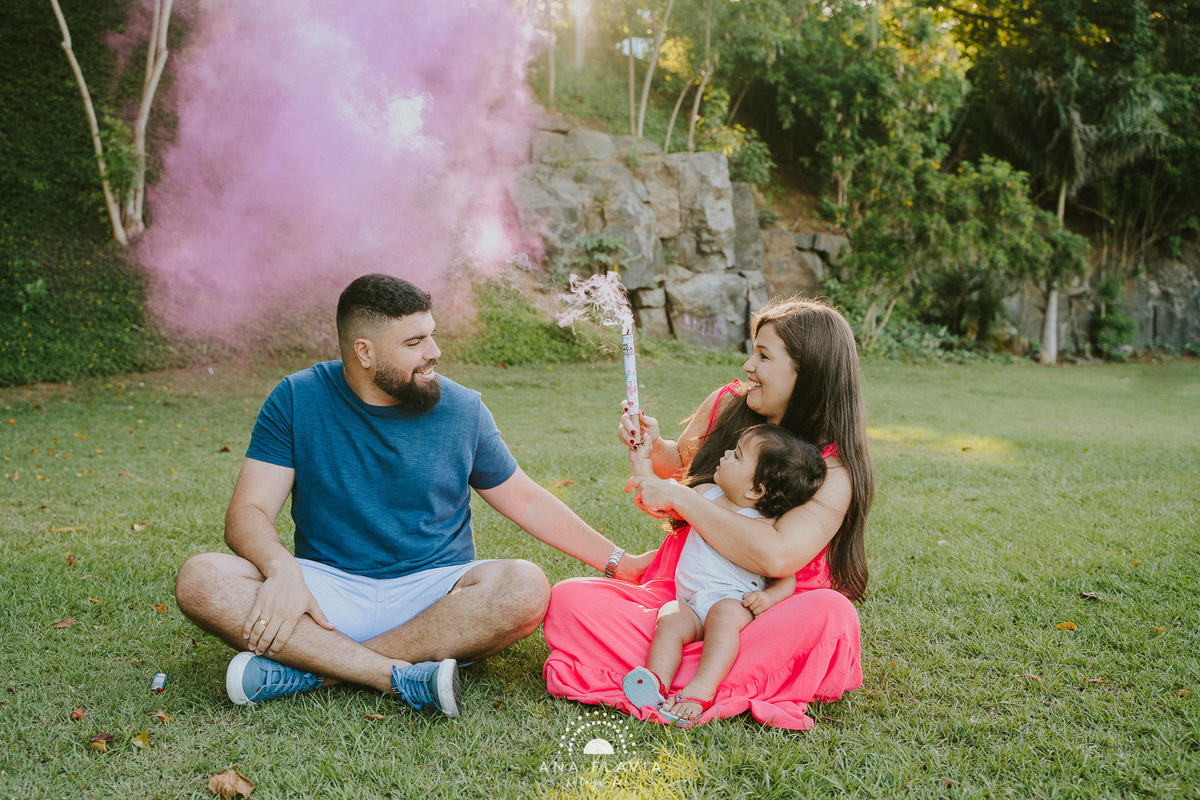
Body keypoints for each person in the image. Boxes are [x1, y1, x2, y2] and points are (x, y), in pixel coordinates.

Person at [174, 274, 653, 718]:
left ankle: (315, 670)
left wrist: (619, 562)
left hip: (434, 597)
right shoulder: (297, 398)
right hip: (325, 594)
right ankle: (392, 674)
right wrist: (281, 568)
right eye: (413, 342)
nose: (434, 352)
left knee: (525, 586)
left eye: (431, 335)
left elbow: (525, 500)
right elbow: (249, 511)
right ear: (364, 351)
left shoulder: (463, 408)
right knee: (202, 579)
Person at [543, 295, 873, 730]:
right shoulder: (727, 403)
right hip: (681, 598)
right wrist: (652, 446)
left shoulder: (834, 468)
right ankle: (706, 675)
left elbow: (777, 556)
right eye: (753, 351)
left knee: (832, 614)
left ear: (808, 372)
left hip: (761, 615)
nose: (748, 366)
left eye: (764, 356)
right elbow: (681, 466)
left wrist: (683, 500)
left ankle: (680, 676)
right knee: (569, 600)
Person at [622, 423, 827, 723]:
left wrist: (769, 599)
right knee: (669, 617)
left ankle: (701, 689)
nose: (726, 454)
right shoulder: (704, 493)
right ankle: (655, 681)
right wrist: (641, 459)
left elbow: (786, 575)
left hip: (733, 602)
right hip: (690, 604)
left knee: (723, 616)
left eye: (738, 455)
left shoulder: (763, 525)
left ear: (755, 489)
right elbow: (658, 493)